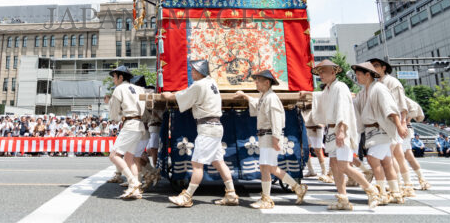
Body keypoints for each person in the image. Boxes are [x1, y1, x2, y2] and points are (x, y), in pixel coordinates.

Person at [162, 60, 239, 208]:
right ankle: (230, 193)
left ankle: (187, 196)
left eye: (193, 70)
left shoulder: (199, 85)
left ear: (200, 71)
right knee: (219, 162)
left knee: (197, 164)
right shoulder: (212, 83)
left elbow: (180, 97)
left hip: (207, 128)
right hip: (216, 126)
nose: (192, 73)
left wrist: (168, 96)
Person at [311, 60, 380, 211]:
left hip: (341, 128)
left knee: (344, 165)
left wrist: (341, 130)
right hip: (331, 129)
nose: (321, 74)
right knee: (335, 165)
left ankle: (371, 190)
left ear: (334, 72)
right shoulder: (328, 89)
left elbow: (343, 109)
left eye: (324, 71)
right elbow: (319, 99)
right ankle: (343, 199)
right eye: (319, 71)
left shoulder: (340, 87)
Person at [235, 70, 307, 209]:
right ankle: (298, 188)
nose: (256, 82)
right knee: (271, 167)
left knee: (265, 167)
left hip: (269, 136)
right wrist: (245, 96)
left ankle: (266, 199)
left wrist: (276, 138)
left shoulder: (271, 98)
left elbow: (276, 120)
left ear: (267, 82)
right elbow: (257, 105)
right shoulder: (265, 97)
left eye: (258, 80)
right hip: (266, 136)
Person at [352, 62, 407, 204]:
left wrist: (400, 125)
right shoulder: (364, 92)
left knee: (372, 158)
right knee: (386, 162)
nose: (357, 77)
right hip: (372, 130)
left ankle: (382, 192)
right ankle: (395, 192)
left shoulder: (379, 88)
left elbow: (391, 108)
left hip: (381, 129)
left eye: (359, 74)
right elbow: (355, 104)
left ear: (368, 75)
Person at [369, 58, 414, 197]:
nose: (374, 68)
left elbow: (401, 104)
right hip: (385, 124)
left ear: (383, 67)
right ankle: (402, 185)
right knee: (395, 155)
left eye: (376, 66)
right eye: (372, 66)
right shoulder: (377, 83)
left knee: (393, 155)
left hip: (393, 123)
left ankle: (402, 186)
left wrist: (402, 123)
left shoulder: (392, 82)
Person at [106, 66, 146, 199]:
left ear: (121, 77)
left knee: (114, 155)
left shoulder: (119, 89)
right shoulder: (139, 88)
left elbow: (114, 113)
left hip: (130, 124)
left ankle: (133, 182)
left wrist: (116, 116)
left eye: (114, 76)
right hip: (139, 124)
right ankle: (135, 189)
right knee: (129, 158)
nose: (113, 80)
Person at [404, 96, 430, 189]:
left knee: (400, 156)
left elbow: (414, 108)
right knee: (407, 155)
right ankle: (421, 180)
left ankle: (408, 182)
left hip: (403, 129)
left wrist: (406, 120)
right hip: (404, 128)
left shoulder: (399, 95)